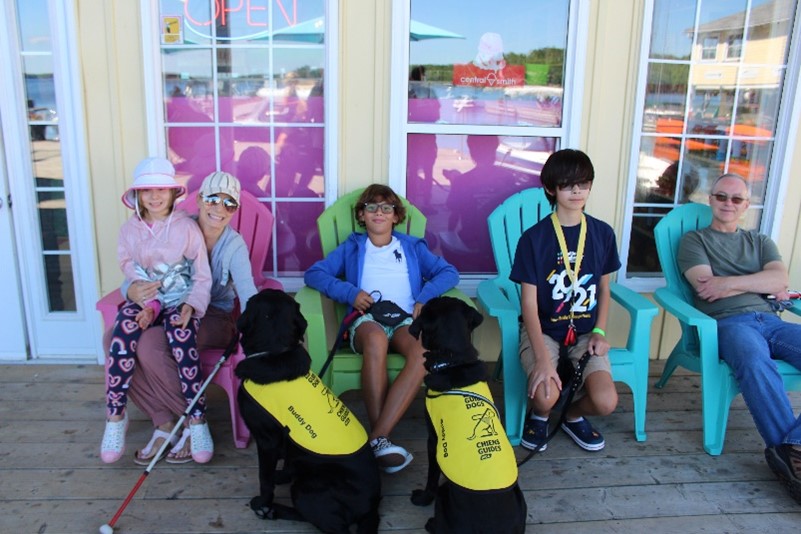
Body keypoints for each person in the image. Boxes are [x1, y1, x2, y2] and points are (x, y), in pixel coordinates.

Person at [103, 170, 259, 465]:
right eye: (213, 199)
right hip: (164, 308)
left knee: (149, 345)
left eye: (230, 204)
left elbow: (249, 293)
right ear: (199, 200)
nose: (219, 209)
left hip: (213, 315)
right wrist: (132, 290)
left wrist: (257, 336)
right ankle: (163, 422)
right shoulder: (176, 228)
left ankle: (189, 423)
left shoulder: (233, 245)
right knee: (113, 338)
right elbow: (142, 271)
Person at [304, 184, 459, 473]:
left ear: (396, 216)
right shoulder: (351, 247)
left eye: (386, 208)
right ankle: (382, 439)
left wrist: (424, 297)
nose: (379, 212)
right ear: (361, 215)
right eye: (371, 207)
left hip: (404, 319)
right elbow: (315, 273)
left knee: (422, 351)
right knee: (375, 341)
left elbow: (449, 272)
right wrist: (349, 293)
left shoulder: (411, 246)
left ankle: (377, 439)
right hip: (367, 320)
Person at [677, 172, 801, 504]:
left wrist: (729, 283)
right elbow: (705, 284)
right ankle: (794, 461)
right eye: (721, 197)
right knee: (754, 361)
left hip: (771, 321)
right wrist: (758, 281)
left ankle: (790, 450)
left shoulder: (760, 241)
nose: (728, 204)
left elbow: (780, 279)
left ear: (746, 205)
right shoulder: (694, 241)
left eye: (736, 199)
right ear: (711, 200)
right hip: (729, 324)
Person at [101, 157, 212, 464]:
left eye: (161, 189)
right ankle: (115, 416)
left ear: (173, 193)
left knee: (182, 342)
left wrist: (192, 304)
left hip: (180, 301)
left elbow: (201, 275)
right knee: (118, 338)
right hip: (144, 300)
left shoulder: (187, 229)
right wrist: (145, 303)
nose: (154, 196)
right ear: (136, 195)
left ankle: (197, 420)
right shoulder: (129, 232)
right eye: (146, 190)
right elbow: (130, 269)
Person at [510, 149, 620, 452]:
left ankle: (570, 416)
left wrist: (599, 331)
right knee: (546, 394)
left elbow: (604, 289)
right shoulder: (534, 239)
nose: (576, 191)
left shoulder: (602, 233)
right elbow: (528, 305)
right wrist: (543, 362)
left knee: (606, 401)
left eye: (583, 184)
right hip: (544, 330)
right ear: (550, 188)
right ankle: (541, 415)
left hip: (585, 332)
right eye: (568, 185)